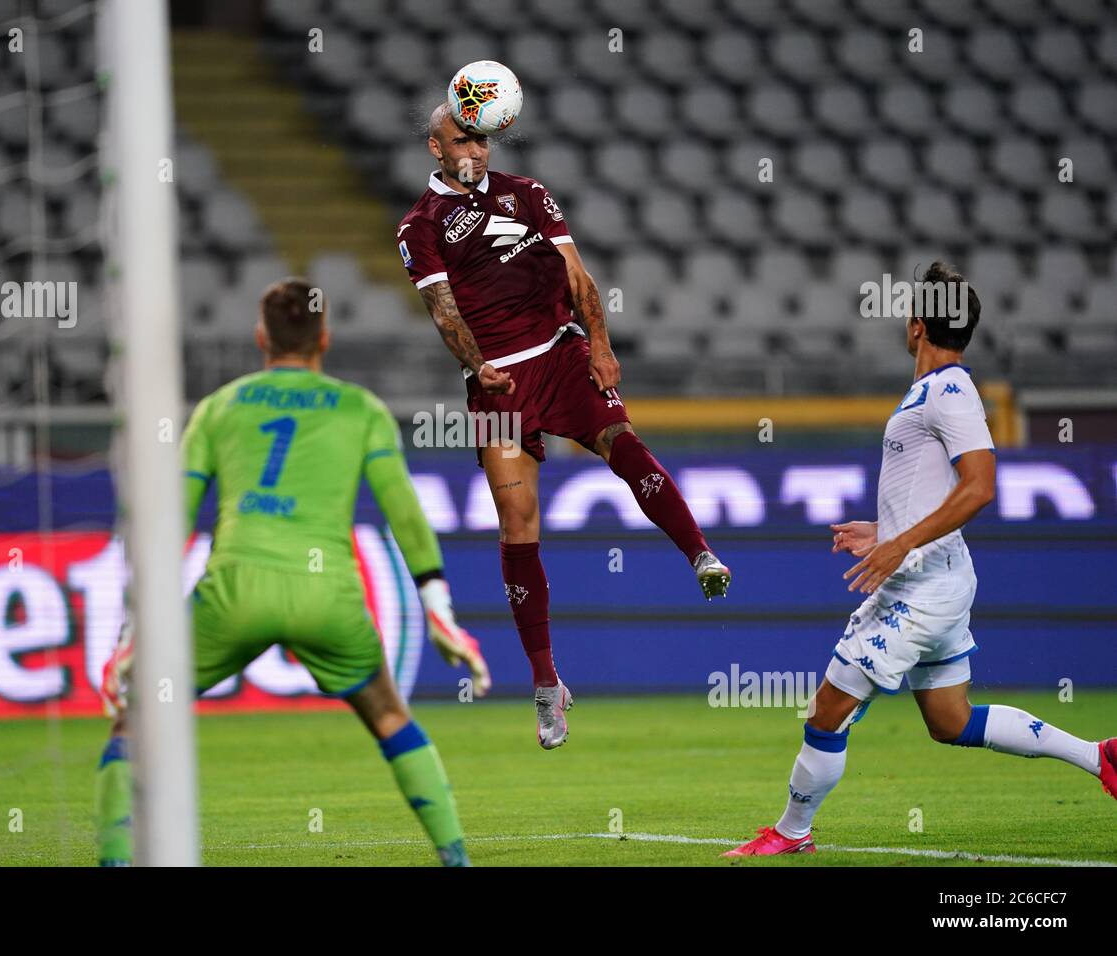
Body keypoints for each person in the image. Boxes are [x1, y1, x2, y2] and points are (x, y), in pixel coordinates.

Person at [725, 262, 1117, 857]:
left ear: (915, 326)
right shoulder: (934, 392)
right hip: (939, 576)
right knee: (951, 721)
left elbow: (980, 486)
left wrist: (902, 543)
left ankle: (791, 833)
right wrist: (886, 530)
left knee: (826, 711)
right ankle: (1100, 756)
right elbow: (936, 492)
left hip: (920, 589)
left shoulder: (951, 390)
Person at [95, 277, 490, 867]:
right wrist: (440, 611)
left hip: (235, 592)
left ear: (261, 338)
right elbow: (403, 511)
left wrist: (135, 628)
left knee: (136, 721)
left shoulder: (218, 408)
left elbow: (168, 522)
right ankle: (456, 857)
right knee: (387, 714)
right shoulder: (362, 410)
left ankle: (116, 861)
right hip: (325, 595)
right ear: (324, 338)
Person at [397, 104, 730, 749]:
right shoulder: (420, 226)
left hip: (561, 353)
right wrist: (478, 366)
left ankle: (700, 553)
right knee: (518, 527)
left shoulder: (529, 195)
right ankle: (547, 685)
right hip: (499, 383)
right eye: (462, 139)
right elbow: (442, 311)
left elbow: (578, 276)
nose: (475, 149)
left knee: (624, 446)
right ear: (436, 148)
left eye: (482, 138)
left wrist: (601, 345)